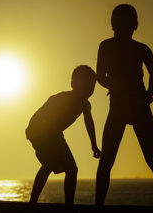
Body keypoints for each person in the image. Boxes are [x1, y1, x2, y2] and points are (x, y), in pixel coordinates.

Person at [95, 4, 153, 207]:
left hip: (134, 105)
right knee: (113, 160)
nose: (123, 28)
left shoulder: (133, 48)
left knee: (144, 158)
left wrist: (148, 95)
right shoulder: (120, 47)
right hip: (127, 106)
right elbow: (101, 76)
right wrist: (147, 94)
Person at [26, 65, 101, 208]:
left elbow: (89, 122)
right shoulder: (63, 99)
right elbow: (44, 118)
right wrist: (49, 141)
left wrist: (94, 145)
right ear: (74, 84)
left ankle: (69, 205)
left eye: (92, 87)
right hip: (38, 130)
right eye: (85, 85)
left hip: (54, 133)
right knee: (49, 163)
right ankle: (32, 203)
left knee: (72, 169)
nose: (89, 90)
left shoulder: (85, 105)